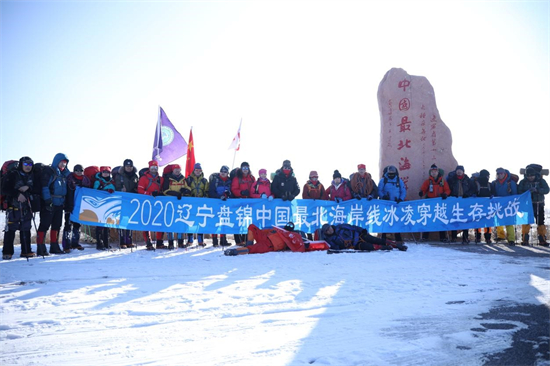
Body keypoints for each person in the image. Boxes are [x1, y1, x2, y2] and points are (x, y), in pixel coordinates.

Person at [1, 157, 37, 259]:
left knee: (26, 229)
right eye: (26, 164)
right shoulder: (13, 175)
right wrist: (17, 194)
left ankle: (26, 251)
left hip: (27, 207)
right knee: (10, 230)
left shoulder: (33, 175)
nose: (28, 167)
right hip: (13, 207)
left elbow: (37, 188)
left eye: (30, 164)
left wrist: (29, 187)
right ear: (21, 164)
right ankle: (7, 252)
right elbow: (4, 189)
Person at [36, 153, 71, 256]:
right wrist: (47, 201)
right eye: (62, 162)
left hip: (60, 204)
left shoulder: (64, 175)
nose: (63, 165)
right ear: (57, 161)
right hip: (49, 203)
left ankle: (54, 246)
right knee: (44, 225)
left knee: (57, 225)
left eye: (65, 163)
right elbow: (45, 187)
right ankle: (40, 247)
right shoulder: (50, 172)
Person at [518, 164, 549, 246]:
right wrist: (527, 191)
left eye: (532, 175)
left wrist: (538, 190)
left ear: (535, 175)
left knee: (540, 221)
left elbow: (547, 190)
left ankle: (542, 238)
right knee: (526, 221)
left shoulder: (541, 181)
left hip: (539, 204)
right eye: (528, 176)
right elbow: (519, 191)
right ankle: (525, 238)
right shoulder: (523, 182)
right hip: (527, 205)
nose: (530, 177)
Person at [63, 164, 91, 253]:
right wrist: (66, 205)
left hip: (80, 206)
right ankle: (66, 245)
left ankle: (75, 243)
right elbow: (65, 192)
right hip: (70, 205)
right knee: (68, 225)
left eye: (81, 170)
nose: (79, 172)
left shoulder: (86, 181)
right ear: (74, 171)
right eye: (77, 170)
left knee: (77, 225)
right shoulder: (69, 180)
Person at [162, 164, 191, 249]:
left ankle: (180, 242)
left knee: (180, 223)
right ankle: (170, 243)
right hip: (170, 204)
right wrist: (175, 194)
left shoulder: (183, 179)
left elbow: (188, 189)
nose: (177, 171)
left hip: (180, 205)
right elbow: (165, 191)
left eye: (179, 170)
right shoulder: (168, 179)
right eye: (176, 170)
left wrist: (185, 190)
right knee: (170, 223)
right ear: (173, 171)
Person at [138, 160, 164, 250]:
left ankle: (159, 242)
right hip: (146, 204)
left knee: (160, 221)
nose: (154, 169)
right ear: (149, 168)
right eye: (152, 167)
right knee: (146, 222)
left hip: (158, 205)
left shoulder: (160, 179)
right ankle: (148, 242)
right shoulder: (144, 178)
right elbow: (140, 191)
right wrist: (150, 193)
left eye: (156, 167)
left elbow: (163, 190)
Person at [321, 223, 407, 251]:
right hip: (355, 245)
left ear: (331, 226)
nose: (330, 230)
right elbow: (336, 247)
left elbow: (352, 227)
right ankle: (384, 247)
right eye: (327, 231)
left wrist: (362, 230)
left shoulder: (340, 226)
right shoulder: (330, 240)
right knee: (369, 247)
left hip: (359, 236)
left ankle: (396, 245)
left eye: (329, 228)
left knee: (375, 239)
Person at [378, 165, 407, 244]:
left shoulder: (399, 180)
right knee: (385, 221)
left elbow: (403, 191)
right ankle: (383, 238)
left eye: (393, 173)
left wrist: (401, 199)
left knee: (396, 221)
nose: (391, 174)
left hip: (396, 205)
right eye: (390, 173)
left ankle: (398, 239)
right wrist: (383, 196)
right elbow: (379, 190)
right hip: (386, 204)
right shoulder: (383, 180)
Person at [114, 159, 139, 249]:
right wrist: (121, 190)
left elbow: (137, 186)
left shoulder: (135, 176)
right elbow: (116, 187)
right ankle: (122, 241)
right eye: (127, 166)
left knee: (130, 220)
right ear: (124, 167)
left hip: (131, 201)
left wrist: (135, 191)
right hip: (122, 201)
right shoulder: (119, 176)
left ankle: (129, 241)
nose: (129, 168)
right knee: (121, 221)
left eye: (130, 166)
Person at [447, 165, 474, 243]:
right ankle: (453, 237)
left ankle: (465, 237)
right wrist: (451, 195)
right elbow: (448, 189)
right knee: (454, 219)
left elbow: (473, 189)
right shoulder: (451, 179)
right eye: (457, 170)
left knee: (465, 219)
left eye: (460, 170)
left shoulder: (467, 180)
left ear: (463, 171)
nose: (459, 171)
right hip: (454, 202)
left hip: (465, 202)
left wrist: (468, 194)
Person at [231, 162, 256, 245]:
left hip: (249, 202)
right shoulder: (237, 178)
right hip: (239, 201)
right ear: (241, 169)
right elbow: (234, 189)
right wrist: (241, 192)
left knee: (248, 221)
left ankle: (246, 239)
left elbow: (255, 188)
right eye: (243, 168)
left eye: (246, 168)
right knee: (238, 220)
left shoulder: (252, 178)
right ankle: (238, 241)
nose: (245, 170)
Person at [208, 165, 233, 247]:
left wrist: (229, 194)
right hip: (215, 204)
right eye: (222, 171)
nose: (223, 173)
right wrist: (219, 197)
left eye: (225, 172)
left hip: (225, 205)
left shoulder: (230, 181)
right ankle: (215, 241)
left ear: (227, 173)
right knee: (215, 222)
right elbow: (211, 192)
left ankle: (223, 240)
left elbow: (232, 192)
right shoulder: (215, 180)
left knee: (224, 221)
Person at [492, 167, 517, 245]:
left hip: (509, 205)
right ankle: (501, 236)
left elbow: (515, 194)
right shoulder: (494, 183)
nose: (500, 175)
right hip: (498, 205)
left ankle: (511, 239)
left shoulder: (510, 182)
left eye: (501, 173)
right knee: (499, 221)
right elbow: (493, 192)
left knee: (509, 222)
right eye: (498, 173)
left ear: (505, 173)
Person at [185, 163, 209, 246]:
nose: (198, 171)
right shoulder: (189, 179)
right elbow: (186, 189)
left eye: (199, 170)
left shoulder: (204, 180)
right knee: (190, 221)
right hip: (191, 204)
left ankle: (200, 239)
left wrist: (205, 198)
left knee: (200, 221)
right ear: (194, 170)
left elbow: (206, 190)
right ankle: (190, 239)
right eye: (196, 170)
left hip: (201, 204)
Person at [93, 166, 116, 250]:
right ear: (101, 173)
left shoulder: (112, 182)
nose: (105, 174)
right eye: (104, 172)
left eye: (107, 172)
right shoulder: (98, 181)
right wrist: (105, 190)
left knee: (107, 224)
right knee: (99, 225)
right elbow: (95, 191)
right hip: (100, 205)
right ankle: (99, 243)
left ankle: (106, 242)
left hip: (109, 206)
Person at [471, 169, 494, 244]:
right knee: (485, 222)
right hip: (482, 206)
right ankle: (485, 238)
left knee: (480, 222)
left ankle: (479, 237)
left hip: (481, 206)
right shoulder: (479, 184)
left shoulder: (488, 185)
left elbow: (493, 193)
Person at [302, 170, 326, 240]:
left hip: (318, 208)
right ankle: (309, 237)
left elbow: (324, 195)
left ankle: (317, 237)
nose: (314, 179)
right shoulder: (306, 186)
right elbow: (304, 196)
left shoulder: (321, 186)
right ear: (310, 178)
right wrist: (312, 200)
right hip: (309, 207)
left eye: (316, 177)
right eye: (313, 177)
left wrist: (319, 200)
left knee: (317, 222)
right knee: (309, 221)